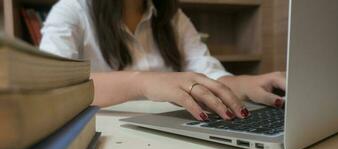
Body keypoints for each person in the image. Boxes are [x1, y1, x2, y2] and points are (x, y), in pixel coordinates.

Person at [40, 0, 286, 121]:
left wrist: (245, 84)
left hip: (173, 132)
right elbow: (50, 85)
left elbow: (206, 72)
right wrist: (143, 83)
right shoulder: (72, 10)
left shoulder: (172, 18)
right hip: (102, 137)